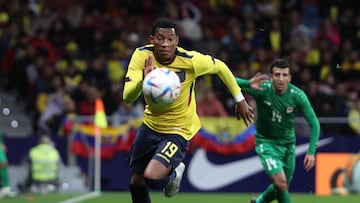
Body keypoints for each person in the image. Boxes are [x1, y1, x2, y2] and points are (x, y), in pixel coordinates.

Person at [122, 17, 266, 203]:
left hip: (178, 130)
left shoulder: (190, 61)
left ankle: (173, 176)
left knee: (151, 177)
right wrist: (144, 80)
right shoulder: (141, 56)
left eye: (170, 39)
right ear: (151, 39)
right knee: (136, 182)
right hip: (150, 126)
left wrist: (239, 99)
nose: (165, 44)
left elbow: (220, 67)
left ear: (177, 41)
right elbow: (127, 97)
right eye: (160, 38)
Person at [236, 58, 320, 203]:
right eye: (277, 75)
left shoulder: (297, 95)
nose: (281, 79)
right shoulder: (262, 89)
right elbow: (231, 80)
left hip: (288, 145)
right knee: (281, 183)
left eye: (284, 75)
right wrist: (247, 84)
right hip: (266, 143)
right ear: (271, 76)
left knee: (282, 186)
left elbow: (315, 124)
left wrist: (311, 152)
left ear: (290, 78)